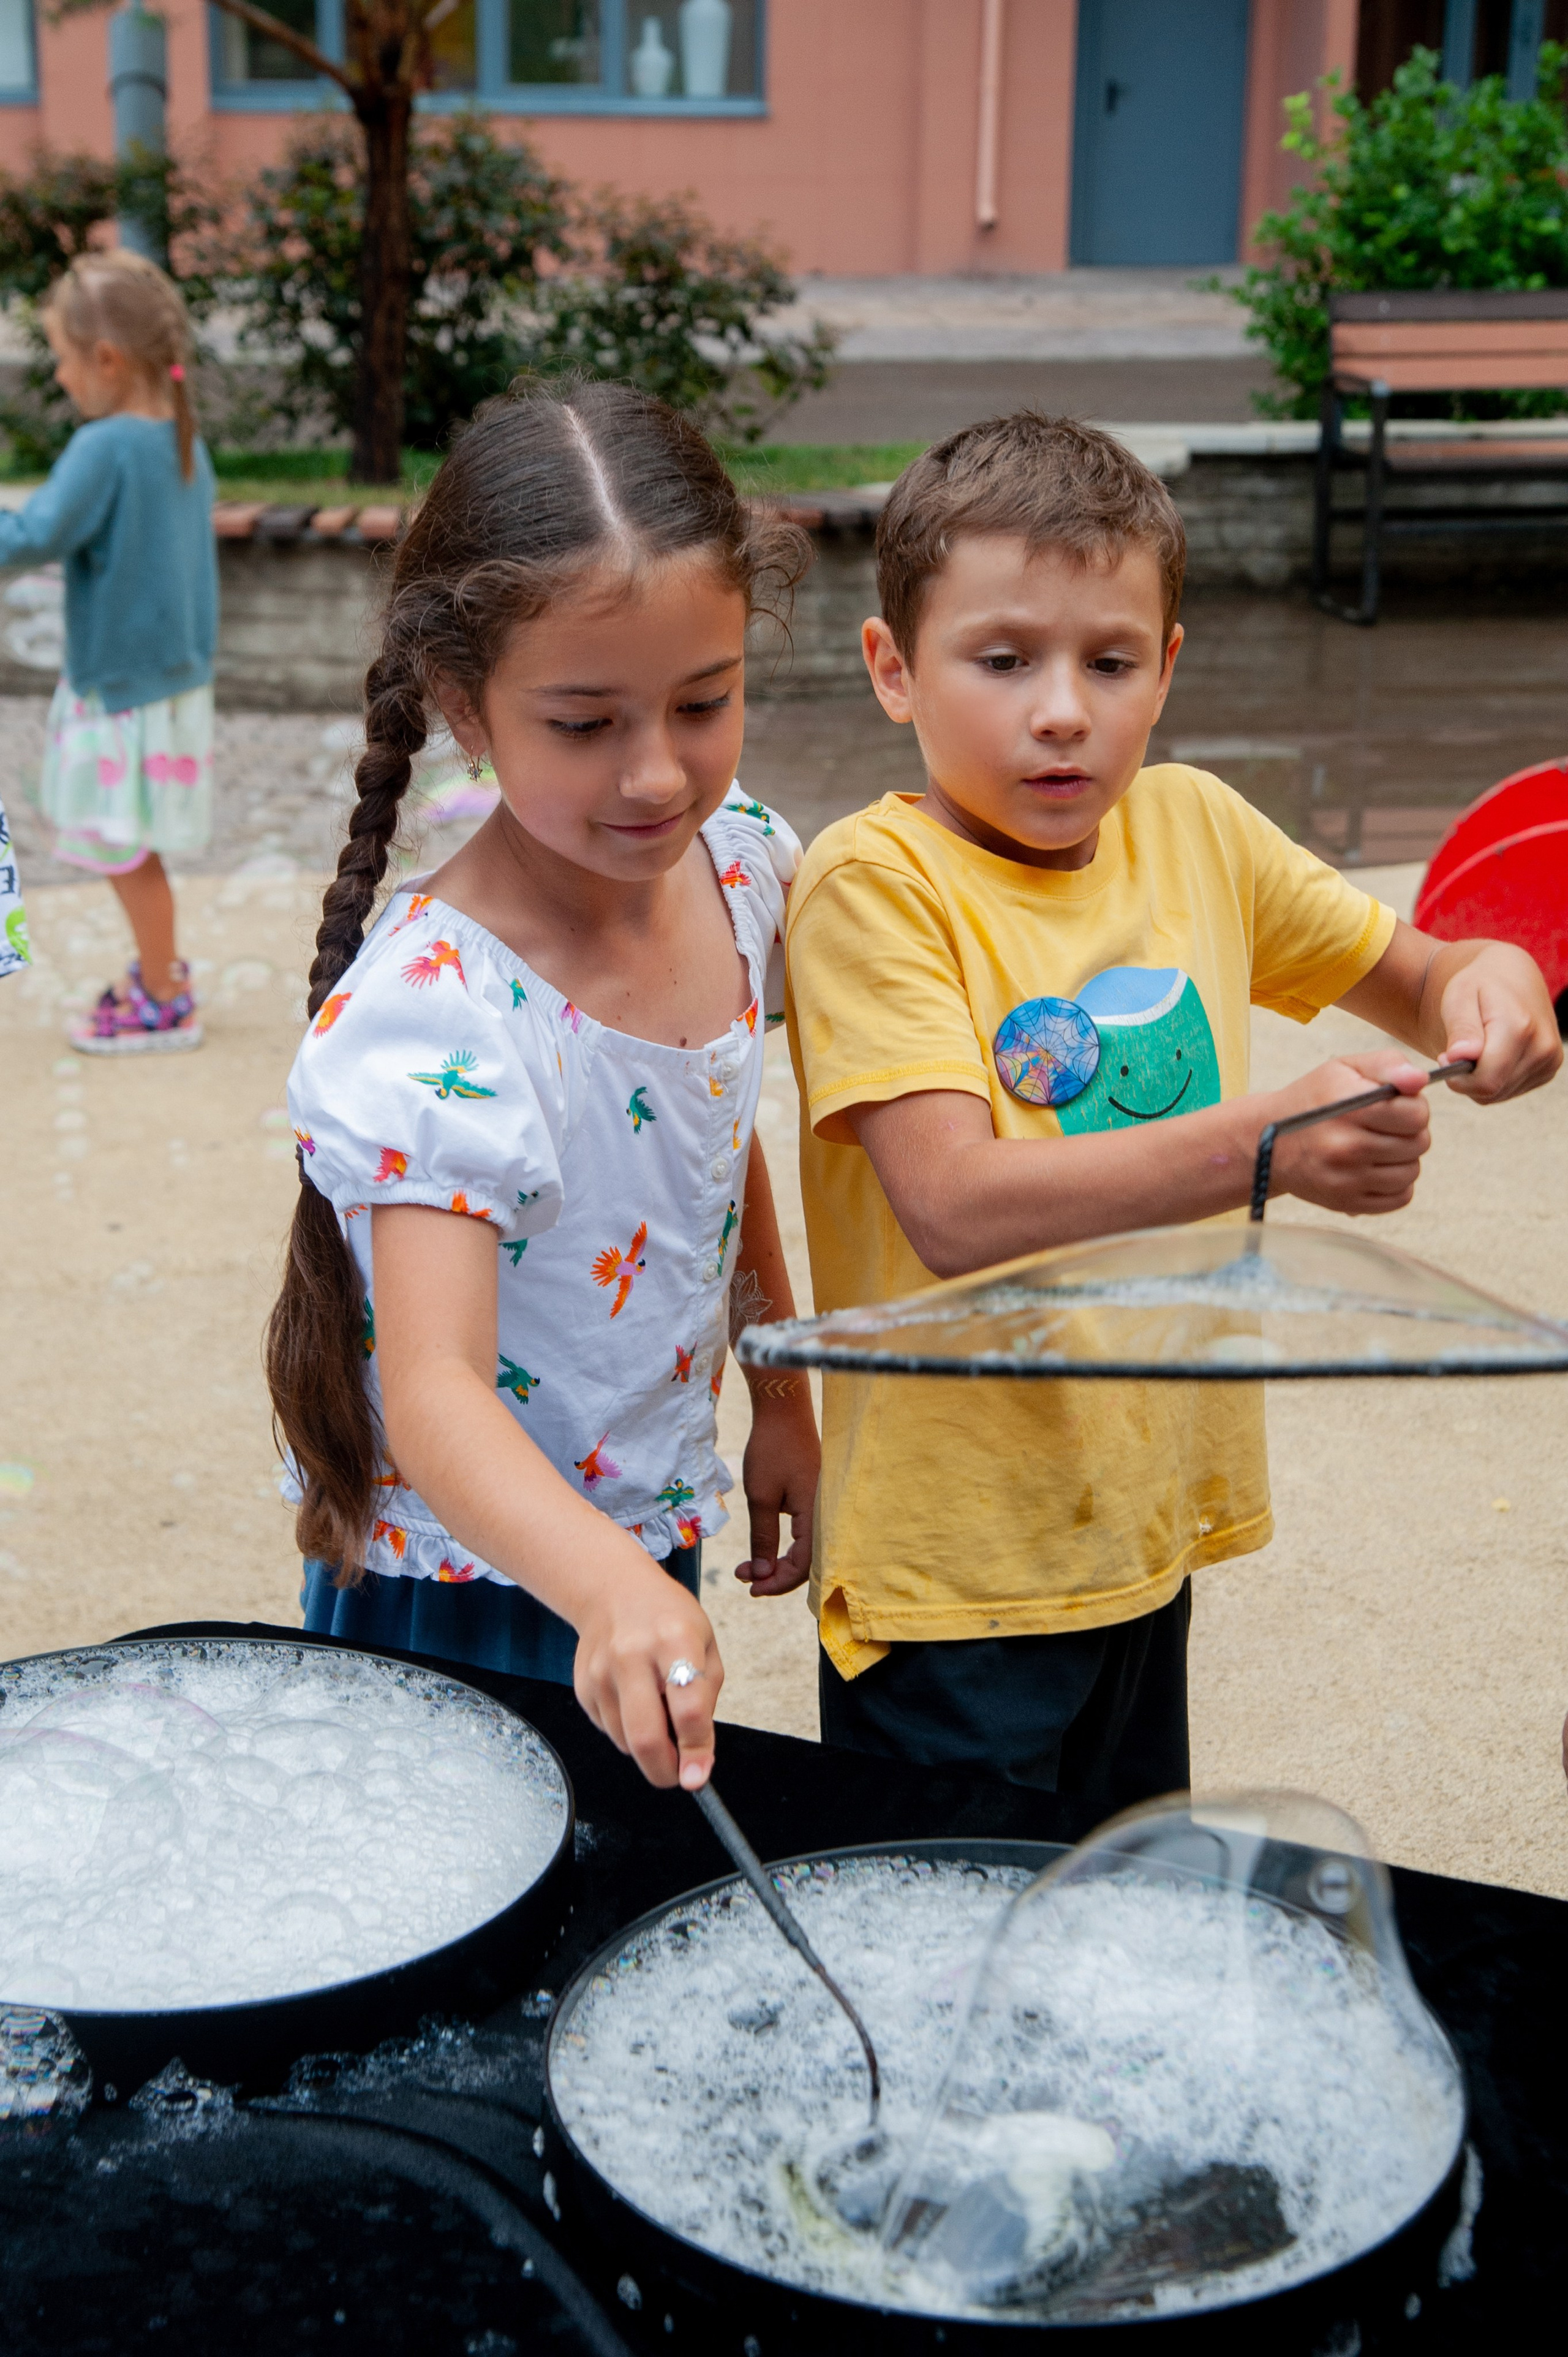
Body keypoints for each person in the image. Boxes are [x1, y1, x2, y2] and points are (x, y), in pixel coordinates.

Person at [782, 412, 1561, 1810]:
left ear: (1168, 668)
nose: (1062, 708)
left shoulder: (1194, 826)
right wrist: (1268, 1143)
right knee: (955, 1980)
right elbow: (952, 1205)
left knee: (1111, 1946)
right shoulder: (873, 883)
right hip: (955, 1581)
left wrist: (1490, 986)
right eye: (1003, 659)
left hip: (1140, 1525)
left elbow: (1424, 971)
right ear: (892, 669)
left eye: (1109, 661)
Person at [271, 380, 821, 1795]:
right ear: (462, 701)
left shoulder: (743, 861)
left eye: (703, 701)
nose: (656, 773)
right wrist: (603, 1583)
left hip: (636, 1536)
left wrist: (781, 1386)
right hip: (464, 1579)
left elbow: (715, 1131)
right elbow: (434, 1377)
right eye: (583, 724)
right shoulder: (438, 1012)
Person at [0, 248, 216, 1053]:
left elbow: (33, 535)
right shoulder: (180, 436)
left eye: (59, 357)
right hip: (165, 686)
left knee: (124, 851)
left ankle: (165, 997)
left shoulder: (107, 446)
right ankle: (163, 974)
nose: (57, 376)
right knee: (135, 846)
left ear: (105, 359)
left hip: (121, 691)